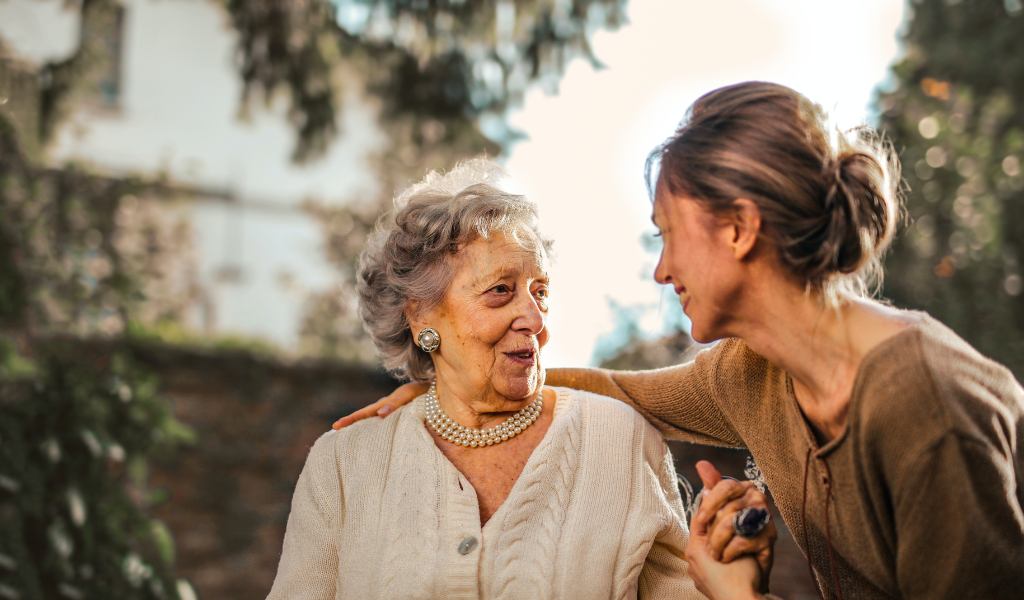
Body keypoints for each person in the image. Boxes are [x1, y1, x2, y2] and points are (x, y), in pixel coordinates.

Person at [336, 82, 1024, 600]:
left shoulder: (924, 406)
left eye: (668, 233)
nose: (662, 269)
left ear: (739, 228)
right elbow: (615, 389)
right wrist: (449, 377)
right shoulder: (752, 373)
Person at [267, 159, 717, 599]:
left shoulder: (621, 440)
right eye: (500, 291)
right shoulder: (343, 464)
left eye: (540, 292)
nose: (534, 319)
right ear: (421, 313)